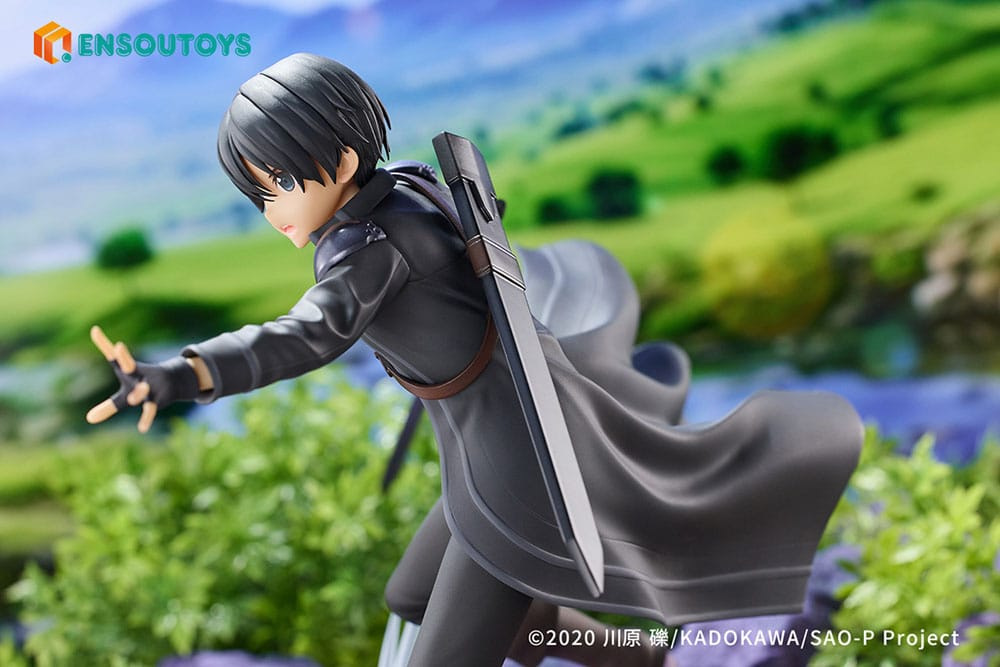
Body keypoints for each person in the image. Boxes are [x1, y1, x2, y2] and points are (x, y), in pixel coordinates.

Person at [88, 53, 862, 667]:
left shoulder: (369, 250)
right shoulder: (410, 187)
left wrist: (182, 372)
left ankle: (622, 647)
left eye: (282, 183)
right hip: (491, 452)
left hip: (519, 473)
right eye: (261, 194)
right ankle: (639, 658)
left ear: (343, 156)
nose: (274, 211)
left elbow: (305, 335)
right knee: (413, 594)